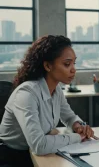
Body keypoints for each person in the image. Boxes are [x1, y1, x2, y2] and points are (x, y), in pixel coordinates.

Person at [0, 35, 94, 166]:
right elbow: (39, 145)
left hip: (36, 153)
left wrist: (79, 126)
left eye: (74, 63)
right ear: (48, 66)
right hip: (11, 157)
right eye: (67, 64)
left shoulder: (56, 90)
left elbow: (69, 116)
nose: (73, 69)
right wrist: (77, 137)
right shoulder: (26, 94)